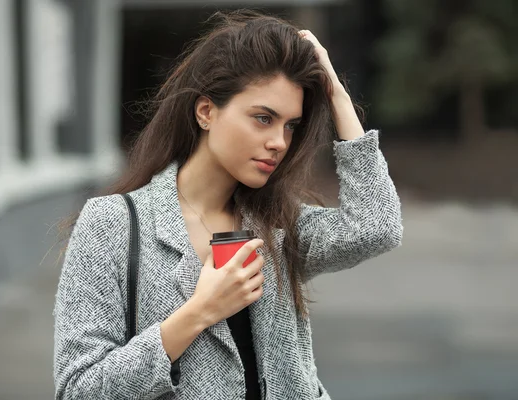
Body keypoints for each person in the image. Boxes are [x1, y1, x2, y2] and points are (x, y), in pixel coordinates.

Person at [53, 9, 403, 400]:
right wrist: (199, 312)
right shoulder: (112, 224)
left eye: (290, 125)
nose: (280, 142)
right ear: (206, 112)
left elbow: (377, 226)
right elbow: (78, 389)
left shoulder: (277, 224)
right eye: (262, 118)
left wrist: (335, 93)